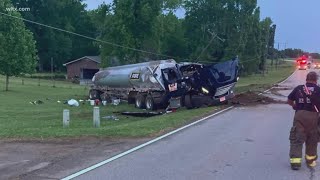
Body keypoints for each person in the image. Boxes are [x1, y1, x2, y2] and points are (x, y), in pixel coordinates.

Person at [287, 71, 320, 170]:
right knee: (312, 138)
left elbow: (289, 100)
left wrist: (294, 106)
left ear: (306, 79)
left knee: (297, 138)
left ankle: (295, 163)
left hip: (299, 115)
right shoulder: (318, 90)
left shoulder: (299, 88)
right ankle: (310, 161)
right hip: (314, 116)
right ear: (316, 80)